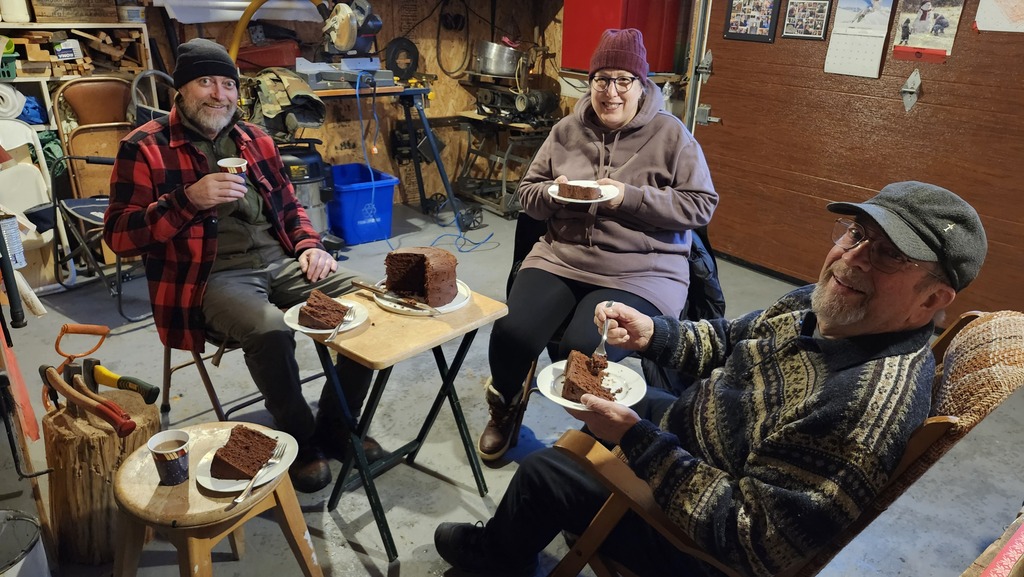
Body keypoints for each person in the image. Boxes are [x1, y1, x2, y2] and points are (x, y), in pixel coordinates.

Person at [436, 181, 987, 576]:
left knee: (546, 470)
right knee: (611, 398)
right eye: (856, 234)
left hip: (696, 542)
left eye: (889, 256)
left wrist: (636, 441)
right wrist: (652, 333)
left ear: (932, 299)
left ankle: (500, 557)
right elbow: (732, 337)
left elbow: (754, 541)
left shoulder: (857, 410)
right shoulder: (827, 305)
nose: (853, 258)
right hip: (700, 437)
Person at [104, 38, 387, 494]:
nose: (220, 94)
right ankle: (300, 437)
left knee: (370, 303)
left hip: (280, 260)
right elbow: (119, 237)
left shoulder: (255, 139)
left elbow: (290, 206)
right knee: (270, 329)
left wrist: (309, 245)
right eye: (205, 82)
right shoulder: (145, 147)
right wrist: (187, 199)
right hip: (209, 276)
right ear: (181, 89)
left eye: (228, 84)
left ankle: (337, 424)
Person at [478, 28, 718, 462]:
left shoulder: (672, 135)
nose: (611, 92)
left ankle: (601, 441)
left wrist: (629, 197)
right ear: (590, 83)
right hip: (562, 256)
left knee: (582, 348)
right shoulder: (566, 130)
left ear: (642, 85)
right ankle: (506, 405)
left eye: (624, 80)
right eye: (602, 79)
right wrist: (553, 193)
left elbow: (701, 205)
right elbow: (527, 194)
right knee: (511, 331)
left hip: (642, 270)